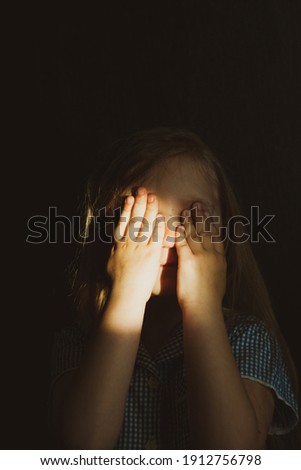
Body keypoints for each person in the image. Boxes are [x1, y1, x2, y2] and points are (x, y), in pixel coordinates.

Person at [49, 127, 299, 449]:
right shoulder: (77, 342)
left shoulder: (248, 338)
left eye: (193, 219)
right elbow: (81, 449)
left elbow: (232, 455)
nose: (170, 238)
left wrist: (203, 305)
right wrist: (127, 293)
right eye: (142, 221)